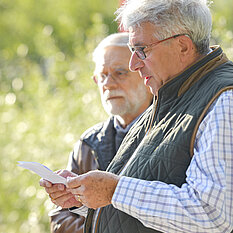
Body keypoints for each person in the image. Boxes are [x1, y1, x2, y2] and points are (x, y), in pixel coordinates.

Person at [41, 0, 233, 232]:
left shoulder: (224, 100)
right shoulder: (170, 97)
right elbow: (140, 208)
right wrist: (83, 197)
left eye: (141, 50)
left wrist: (114, 190)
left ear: (183, 46)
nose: (134, 64)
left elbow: (213, 215)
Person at [40, 32, 153, 233]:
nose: (108, 83)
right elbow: (62, 216)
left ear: (145, 74)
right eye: (102, 76)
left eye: (120, 72)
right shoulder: (88, 143)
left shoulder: (169, 132)